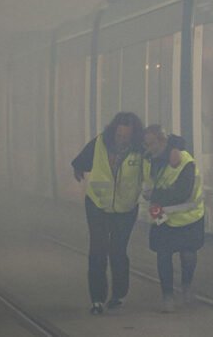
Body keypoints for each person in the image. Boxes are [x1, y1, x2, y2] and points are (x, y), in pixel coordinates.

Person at [71, 111, 145, 315]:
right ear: (113, 131)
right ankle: (97, 299)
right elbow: (80, 161)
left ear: (134, 136)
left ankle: (119, 295)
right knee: (97, 250)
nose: (121, 140)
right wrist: (77, 169)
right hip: (97, 204)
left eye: (126, 137)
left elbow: (150, 172)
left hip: (126, 208)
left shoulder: (140, 151)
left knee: (118, 251)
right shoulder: (99, 144)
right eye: (119, 135)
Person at [143, 125, 205, 313]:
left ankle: (186, 287)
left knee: (188, 256)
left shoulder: (184, 160)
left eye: (152, 143)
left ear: (163, 141)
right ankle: (167, 296)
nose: (149, 147)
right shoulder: (148, 160)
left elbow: (182, 192)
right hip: (162, 217)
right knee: (163, 256)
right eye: (146, 144)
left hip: (188, 217)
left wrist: (155, 195)